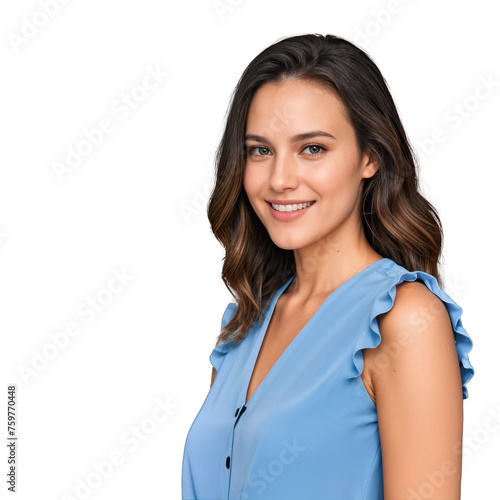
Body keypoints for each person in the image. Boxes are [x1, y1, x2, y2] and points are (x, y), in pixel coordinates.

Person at [181, 33, 474, 500]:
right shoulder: (243, 325)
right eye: (260, 150)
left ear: (370, 157)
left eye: (312, 148)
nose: (279, 179)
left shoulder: (403, 320)